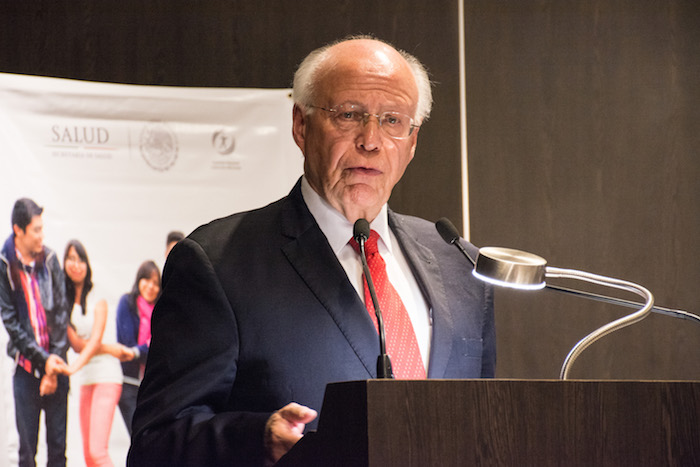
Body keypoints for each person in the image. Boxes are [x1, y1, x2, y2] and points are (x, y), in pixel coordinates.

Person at [128, 36, 496, 466]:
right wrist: (258, 440)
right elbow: (157, 443)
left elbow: (485, 428)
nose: (371, 140)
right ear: (301, 126)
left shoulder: (459, 264)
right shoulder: (218, 263)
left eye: (393, 120)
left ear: (412, 142)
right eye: (349, 115)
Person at [0, 198, 70, 467]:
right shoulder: (4, 265)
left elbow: (62, 314)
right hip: (26, 370)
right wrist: (43, 360)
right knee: (26, 454)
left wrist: (53, 365)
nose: (42, 236)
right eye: (36, 230)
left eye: (42, 229)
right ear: (18, 230)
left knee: (58, 451)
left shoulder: (50, 260)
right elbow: (11, 323)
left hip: (57, 367)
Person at [62, 239, 133, 467]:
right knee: (88, 455)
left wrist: (72, 367)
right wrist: (111, 348)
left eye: (80, 259)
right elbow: (76, 345)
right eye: (71, 259)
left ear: (87, 264)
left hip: (107, 375)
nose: (76, 265)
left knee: (98, 451)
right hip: (87, 378)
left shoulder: (97, 296)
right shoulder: (63, 302)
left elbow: (93, 341)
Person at [116, 260, 160, 436]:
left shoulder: (161, 311)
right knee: (139, 436)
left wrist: (138, 351)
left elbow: (160, 347)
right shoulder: (127, 303)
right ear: (139, 280)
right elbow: (128, 345)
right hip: (130, 384)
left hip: (153, 387)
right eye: (147, 279)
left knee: (153, 438)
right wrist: (145, 348)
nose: (150, 286)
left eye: (156, 283)